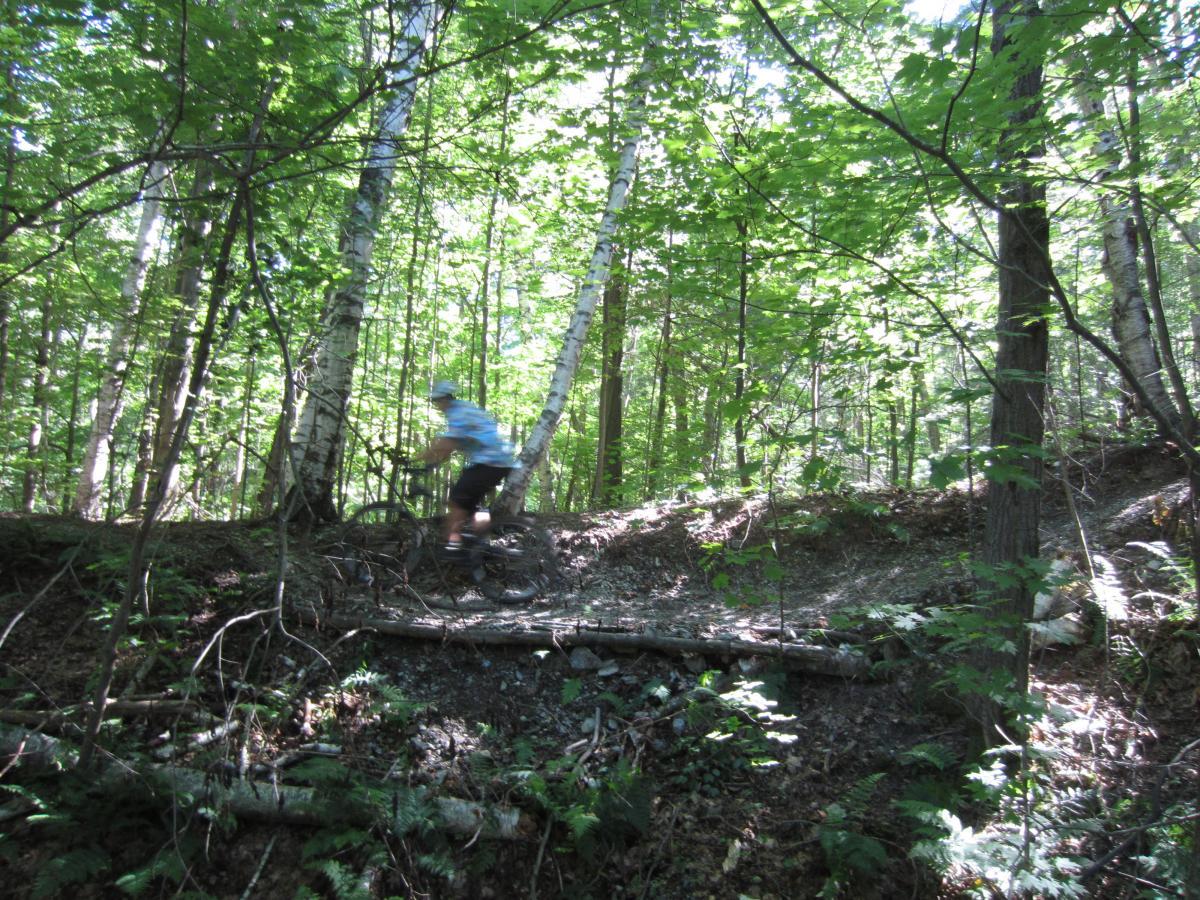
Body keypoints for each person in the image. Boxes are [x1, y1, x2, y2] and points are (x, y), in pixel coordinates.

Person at [420, 380, 514, 552]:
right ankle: (481, 546)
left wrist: (419, 457)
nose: (437, 405)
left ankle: (451, 547)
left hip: (490, 462)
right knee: (472, 505)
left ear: (444, 399)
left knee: (456, 502)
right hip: (498, 462)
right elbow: (451, 446)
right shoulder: (461, 409)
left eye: (437, 401)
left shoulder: (458, 412)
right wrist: (434, 463)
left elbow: (448, 442)